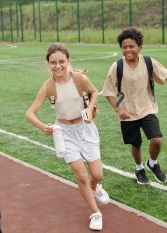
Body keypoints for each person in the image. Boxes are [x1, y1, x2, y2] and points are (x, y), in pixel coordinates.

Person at [26, 43, 109, 231]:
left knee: (97, 174)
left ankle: (95, 187)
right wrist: (43, 126)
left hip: (85, 129)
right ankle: (96, 213)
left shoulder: (80, 78)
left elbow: (95, 92)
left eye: (61, 61)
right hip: (64, 132)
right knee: (81, 175)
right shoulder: (48, 87)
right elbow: (30, 113)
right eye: (53, 62)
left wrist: (89, 108)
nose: (58, 66)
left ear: (68, 61)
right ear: (48, 64)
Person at [100, 27, 167, 185]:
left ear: (139, 47)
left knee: (156, 140)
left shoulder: (148, 62)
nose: (128, 50)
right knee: (136, 144)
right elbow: (107, 91)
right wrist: (118, 109)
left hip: (147, 108)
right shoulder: (117, 66)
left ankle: (153, 163)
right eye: (124, 47)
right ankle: (139, 168)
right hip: (127, 113)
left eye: (132, 46)